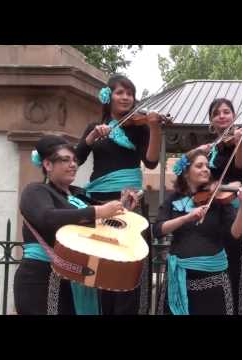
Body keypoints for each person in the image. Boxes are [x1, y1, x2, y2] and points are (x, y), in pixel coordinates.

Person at [75, 74, 162, 314]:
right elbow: (76, 159)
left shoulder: (141, 127)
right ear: (108, 96)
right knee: (100, 263)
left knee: (128, 264)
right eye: (120, 92)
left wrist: (154, 127)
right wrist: (91, 139)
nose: (126, 97)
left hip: (129, 202)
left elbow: (152, 161)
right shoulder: (94, 128)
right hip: (98, 202)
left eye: (130, 93)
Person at [14, 135, 124, 315]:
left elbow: (102, 223)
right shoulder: (35, 190)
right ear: (48, 165)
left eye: (74, 160)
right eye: (65, 160)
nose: (73, 164)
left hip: (76, 277)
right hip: (41, 278)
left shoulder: (79, 195)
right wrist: (97, 212)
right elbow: (47, 217)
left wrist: (122, 206)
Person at [152, 148, 242, 315]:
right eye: (199, 166)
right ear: (186, 172)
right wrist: (185, 218)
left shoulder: (219, 199)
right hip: (180, 277)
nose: (206, 169)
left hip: (214, 280)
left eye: (207, 165)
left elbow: (236, 232)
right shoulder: (173, 199)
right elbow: (158, 230)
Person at [196, 98, 242, 315]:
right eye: (217, 113)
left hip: (240, 211)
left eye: (226, 112)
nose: (222, 116)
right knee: (219, 272)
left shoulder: (240, 142)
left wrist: (241, 143)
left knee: (240, 273)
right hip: (217, 216)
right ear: (211, 121)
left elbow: (241, 169)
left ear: (233, 116)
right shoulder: (211, 150)